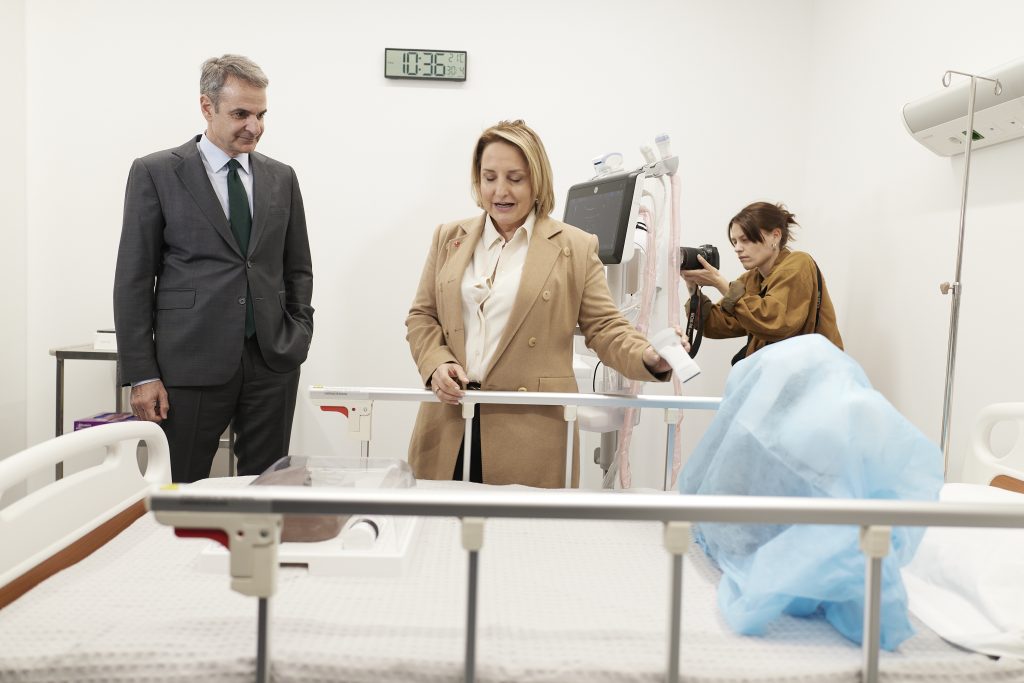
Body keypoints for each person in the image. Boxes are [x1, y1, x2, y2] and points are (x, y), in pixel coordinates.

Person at [406, 119, 683, 488]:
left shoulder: (575, 246)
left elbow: (605, 328)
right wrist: (436, 364)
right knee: (439, 523)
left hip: (529, 432)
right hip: (448, 423)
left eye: (515, 179)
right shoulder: (449, 238)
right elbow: (422, 316)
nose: (500, 191)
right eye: (489, 177)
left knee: (518, 526)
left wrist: (649, 357)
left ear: (536, 181)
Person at [113, 54, 313, 483]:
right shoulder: (156, 172)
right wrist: (142, 374)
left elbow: (298, 269)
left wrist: (298, 333)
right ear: (207, 107)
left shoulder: (282, 177)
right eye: (241, 114)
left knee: (267, 489)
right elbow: (133, 279)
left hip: (271, 362)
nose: (254, 126)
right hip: (188, 363)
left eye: (261, 115)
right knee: (179, 487)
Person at [680, 201, 842, 364]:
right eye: (735, 241)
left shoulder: (798, 263)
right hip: (778, 372)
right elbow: (717, 324)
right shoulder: (751, 279)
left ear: (775, 236)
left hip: (813, 373)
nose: (737, 248)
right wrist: (693, 288)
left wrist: (719, 282)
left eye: (745, 240)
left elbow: (774, 322)